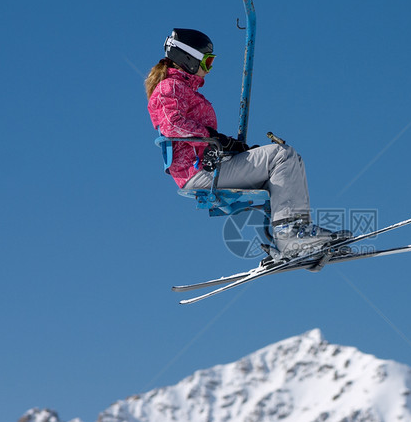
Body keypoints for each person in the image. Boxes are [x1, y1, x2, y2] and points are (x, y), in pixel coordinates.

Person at [145, 28, 350, 258]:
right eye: (208, 61)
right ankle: (290, 235)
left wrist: (230, 147)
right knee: (281, 155)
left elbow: (198, 134)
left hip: (208, 165)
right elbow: (172, 124)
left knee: (291, 162)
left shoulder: (182, 89)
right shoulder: (169, 87)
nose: (210, 68)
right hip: (199, 171)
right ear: (188, 58)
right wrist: (216, 138)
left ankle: (296, 233)